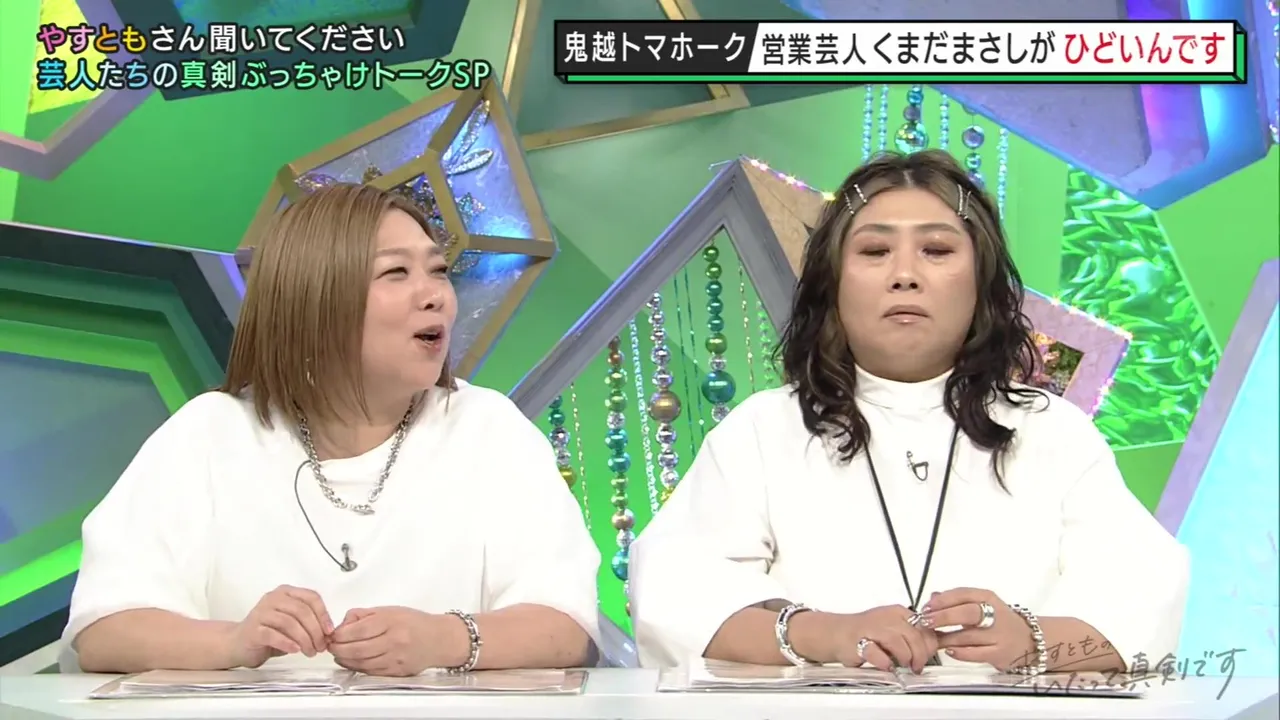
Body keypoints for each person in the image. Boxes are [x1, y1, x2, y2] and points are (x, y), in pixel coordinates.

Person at [628, 150, 1189, 676]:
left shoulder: (1052, 430)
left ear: (981, 283)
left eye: (937, 250)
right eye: (875, 251)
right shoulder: (764, 428)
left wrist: (1033, 641)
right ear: (832, 284)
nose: (905, 274)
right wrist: (829, 635)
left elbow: (1143, 602)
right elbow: (674, 595)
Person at [62, 184, 601, 676]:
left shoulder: (488, 428)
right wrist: (235, 642)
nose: (435, 295)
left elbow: (565, 627)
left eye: (438, 271)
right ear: (314, 298)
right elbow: (105, 631)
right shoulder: (209, 433)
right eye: (396, 273)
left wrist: (443, 638)